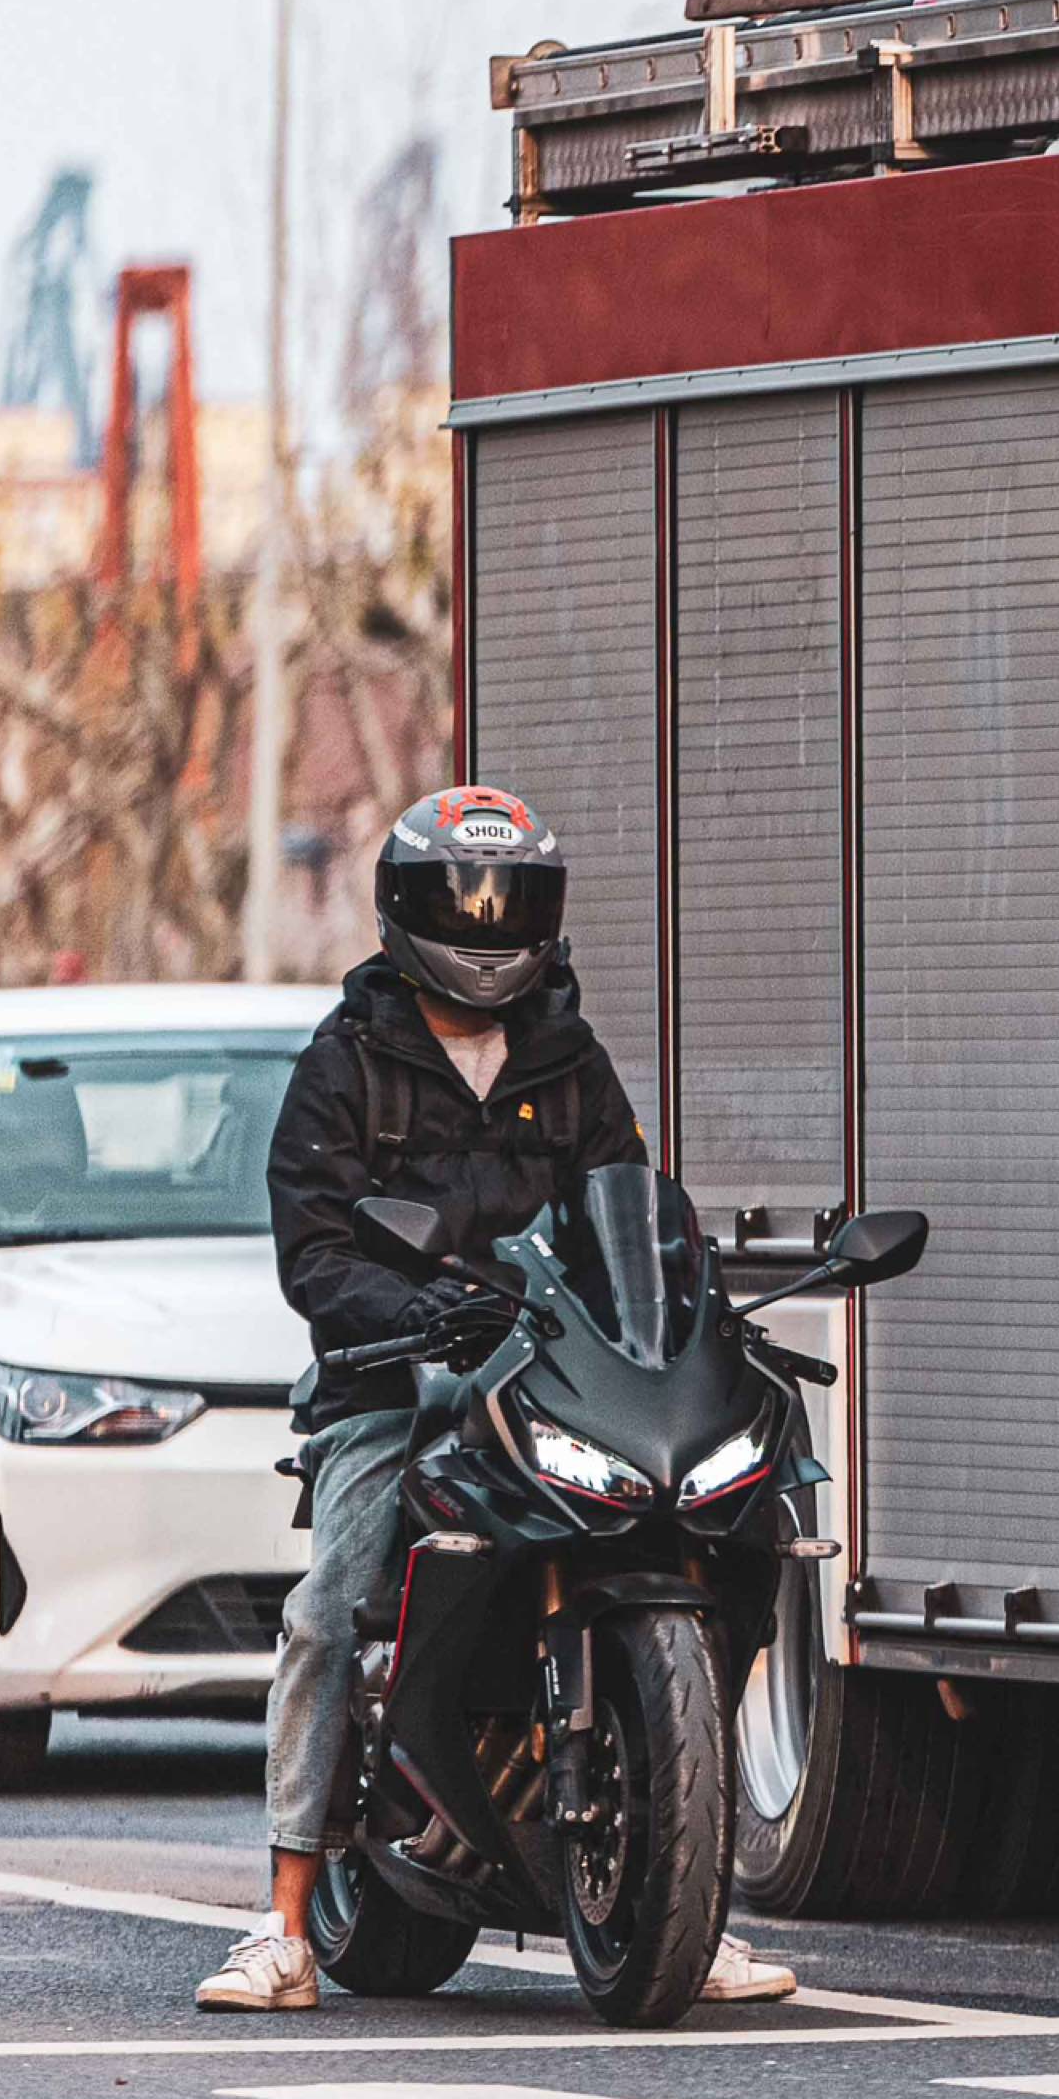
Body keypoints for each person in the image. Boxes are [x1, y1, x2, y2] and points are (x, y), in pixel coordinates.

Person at [197, 787, 796, 2015]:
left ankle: (689, 1901)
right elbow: (313, 1252)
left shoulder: (568, 1058)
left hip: (555, 1365)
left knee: (732, 1528)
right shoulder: (348, 1061)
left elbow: (634, 1209)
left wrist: (687, 1308)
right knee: (328, 1608)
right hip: (399, 1377)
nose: (483, 925)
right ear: (406, 908)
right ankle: (284, 1923)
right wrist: (412, 1318)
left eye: (509, 902)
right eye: (461, 900)